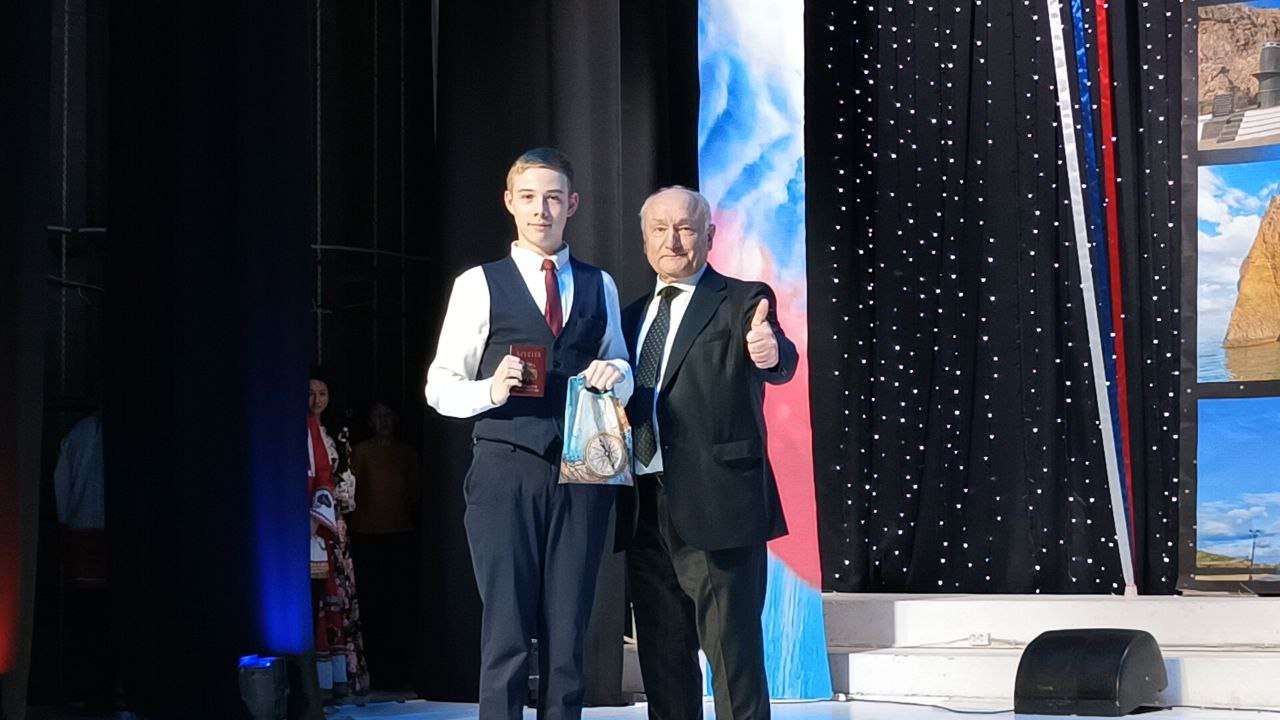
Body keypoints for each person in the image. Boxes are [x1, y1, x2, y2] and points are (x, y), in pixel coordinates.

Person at [425, 147, 633, 720]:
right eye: (529, 197)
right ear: (509, 203)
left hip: (583, 472)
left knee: (570, 633)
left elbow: (622, 363)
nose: (541, 209)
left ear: (573, 205)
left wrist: (618, 373)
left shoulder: (599, 284)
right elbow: (440, 386)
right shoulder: (478, 284)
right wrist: (491, 390)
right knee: (507, 631)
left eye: (553, 198)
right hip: (505, 467)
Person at [615, 186, 797, 720]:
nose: (672, 241)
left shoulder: (742, 301)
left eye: (685, 228)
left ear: (709, 236)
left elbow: (779, 357)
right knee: (663, 661)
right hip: (643, 509)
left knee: (733, 660)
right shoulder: (628, 318)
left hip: (720, 508)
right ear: (644, 239)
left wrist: (770, 352)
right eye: (659, 229)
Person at [349, 400, 420, 690]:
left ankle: (398, 668)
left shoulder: (407, 453)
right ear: (369, 421)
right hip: (366, 534)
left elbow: (415, 493)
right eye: (377, 416)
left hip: (400, 532)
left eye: (387, 415)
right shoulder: (360, 452)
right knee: (372, 603)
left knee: (398, 603)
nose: (383, 421)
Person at [307, 371, 370, 700]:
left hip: (334, 525)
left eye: (323, 393)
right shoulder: (302, 431)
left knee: (338, 597)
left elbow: (344, 479)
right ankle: (317, 680)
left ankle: (342, 675)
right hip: (312, 523)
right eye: (311, 393)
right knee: (318, 599)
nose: (317, 400)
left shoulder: (335, 435)